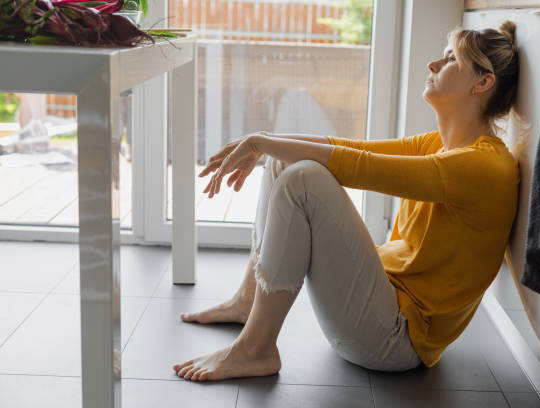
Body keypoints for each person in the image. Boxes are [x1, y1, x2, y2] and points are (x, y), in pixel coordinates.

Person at [172, 20, 520, 382]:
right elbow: (348, 148)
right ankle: (248, 302)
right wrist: (263, 142)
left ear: (482, 82)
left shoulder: (482, 166)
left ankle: (255, 349)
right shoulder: (441, 144)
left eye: (449, 60)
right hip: (378, 305)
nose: (433, 65)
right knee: (285, 160)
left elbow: (358, 166)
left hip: (394, 340)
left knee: (303, 178)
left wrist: (260, 141)